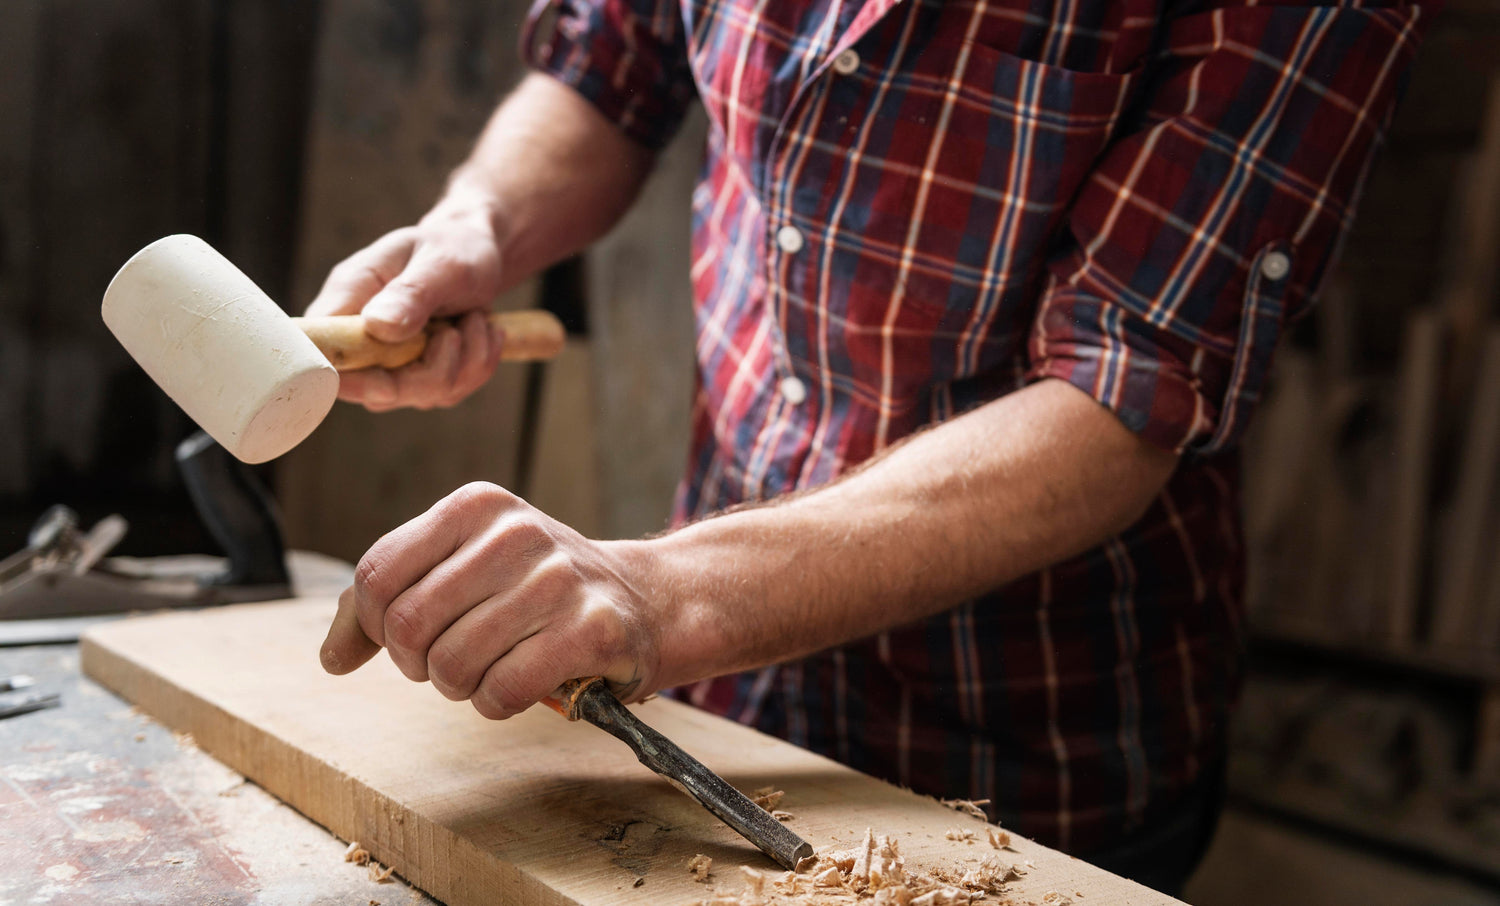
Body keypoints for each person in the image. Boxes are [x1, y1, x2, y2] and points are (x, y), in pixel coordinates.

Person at [311, 0, 1427, 894]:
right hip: (726, 691)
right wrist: (479, 225)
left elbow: (1114, 403)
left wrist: (659, 595)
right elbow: (613, 65)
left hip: (1033, 729)